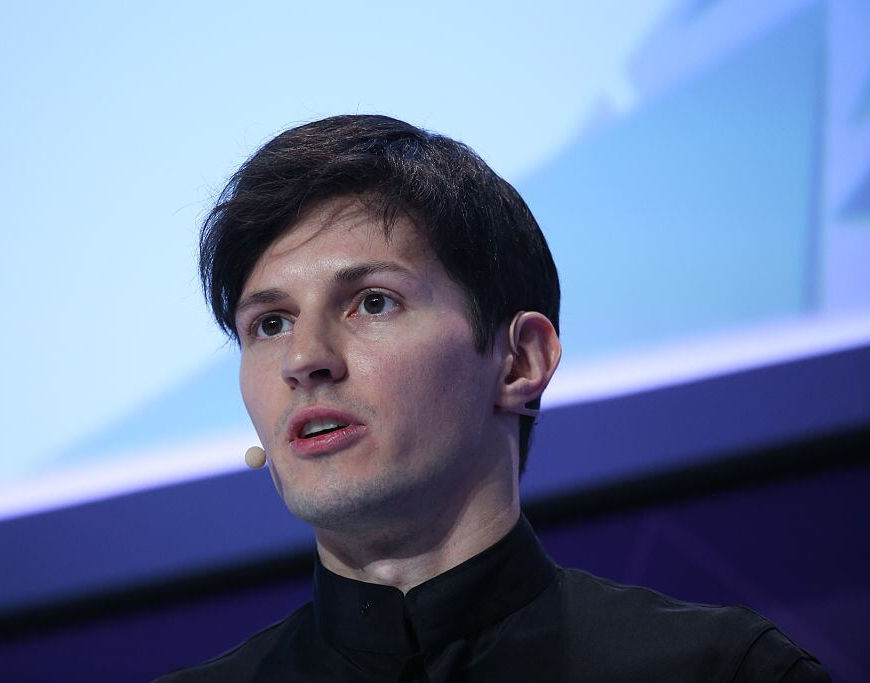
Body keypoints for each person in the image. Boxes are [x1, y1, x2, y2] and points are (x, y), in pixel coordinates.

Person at [157, 115, 828, 681]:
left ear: (521, 361)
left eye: (372, 302)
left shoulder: (721, 671)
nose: (304, 360)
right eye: (269, 323)